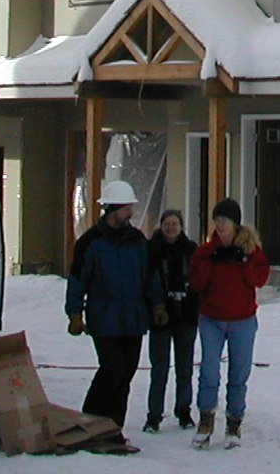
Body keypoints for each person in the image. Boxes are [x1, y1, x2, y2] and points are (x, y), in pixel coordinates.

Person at [64, 180, 161, 433]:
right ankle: (90, 422)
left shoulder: (138, 241)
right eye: (128, 208)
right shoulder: (90, 243)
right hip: (104, 319)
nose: (131, 213)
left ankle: (113, 428)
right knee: (112, 370)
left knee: (126, 374)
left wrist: (158, 304)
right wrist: (75, 314)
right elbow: (77, 281)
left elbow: (150, 276)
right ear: (114, 209)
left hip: (133, 319)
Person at [189, 196, 270, 449]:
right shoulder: (206, 251)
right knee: (209, 371)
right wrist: (212, 263)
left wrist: (242, 261)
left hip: (242, 321)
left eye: (224, 220)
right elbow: (196, 283)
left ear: (235, 224)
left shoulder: (250, 250)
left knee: (239, 372)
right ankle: (206, 420)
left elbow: (260, 279)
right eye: (217, 220)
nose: (220, 225)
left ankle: (234, 422)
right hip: (212, 319)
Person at [143, 208, 200, 433]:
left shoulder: (191, 250)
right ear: (161, 225)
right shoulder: (152, 250)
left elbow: (199, 281)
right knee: (159, 370)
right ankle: (153, 416)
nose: (170, 228)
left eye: (174, 224)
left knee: (184, 369)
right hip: (160, 319)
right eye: (167, 224)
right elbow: (147, 281)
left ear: (181, 226)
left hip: (186, 318)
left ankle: (183, 411)